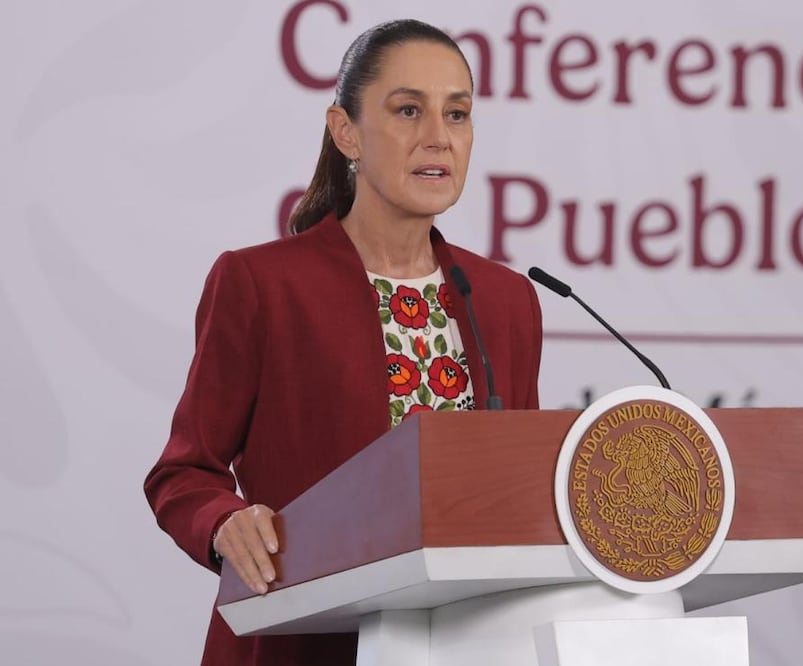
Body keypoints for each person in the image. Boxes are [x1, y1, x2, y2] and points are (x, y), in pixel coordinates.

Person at [144, 19, 543, 666]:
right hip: (301, 640)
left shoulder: (505, 300)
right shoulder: (260, 283)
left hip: (466, 642)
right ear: (346, 131)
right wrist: (223, 521)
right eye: (409, 110)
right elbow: (183, 473)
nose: (439, 137)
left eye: (459, 113)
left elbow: (514, 485)